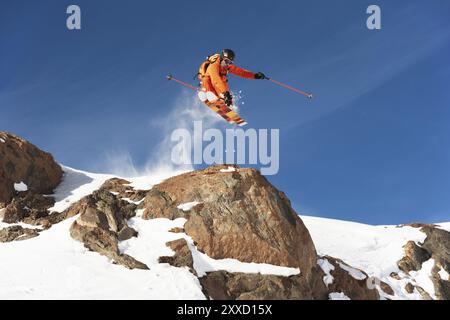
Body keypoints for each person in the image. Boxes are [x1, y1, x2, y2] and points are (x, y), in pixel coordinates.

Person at [198, 49, 266, 107]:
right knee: (208, 80)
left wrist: (255, 76)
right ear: (222, 58)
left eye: (230, 62)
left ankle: (224, 100)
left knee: (224, 83)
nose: (228, 64)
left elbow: (241, 72)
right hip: (209, 82)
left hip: (218, 84)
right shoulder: (213, 66)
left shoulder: (228, 67)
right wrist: (225, 93)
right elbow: (216, 80)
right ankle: (208, 93)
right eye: (227, 61)